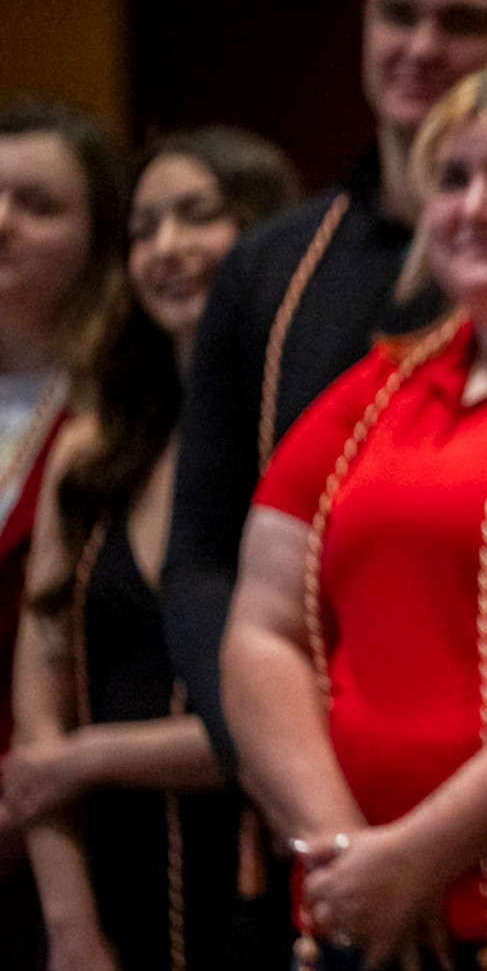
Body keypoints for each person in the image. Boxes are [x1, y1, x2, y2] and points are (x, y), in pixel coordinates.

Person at [220, 52, 487, 971]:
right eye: (454, 177)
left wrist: (422, 853)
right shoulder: (381, 385)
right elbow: (262, 627)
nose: (476, 206)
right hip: (354, 901)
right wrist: (351, 854)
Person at [164, 0, 487, 781]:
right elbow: (202, 556)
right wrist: (276, 767)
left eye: (462, 23)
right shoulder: (267, 266)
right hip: (290, 800)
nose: (420, 47)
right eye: (398, 15)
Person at [6, 127, 298, 971]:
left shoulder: (308, 435)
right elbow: (38, 714)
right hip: (99, 893)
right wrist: (68, 926)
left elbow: (287, 718)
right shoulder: (93, 448)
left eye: (198, 217)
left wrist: (91, 758)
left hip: (257, 881)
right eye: (144, 228)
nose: (167, 249)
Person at [0, 98, 126, 970]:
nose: (0, 223)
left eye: (37, 205)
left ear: (98, 237)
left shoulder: (115, 414)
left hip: (55, 829)